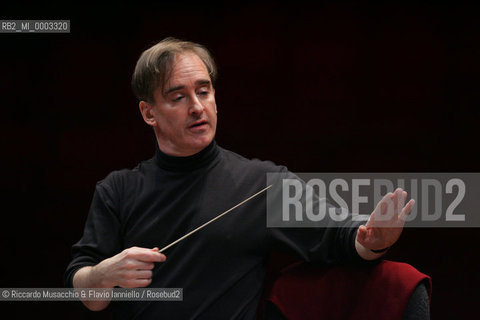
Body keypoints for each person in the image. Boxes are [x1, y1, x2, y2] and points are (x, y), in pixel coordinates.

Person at [64, 37, 415, 319]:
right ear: (148, 112)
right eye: (178, 97)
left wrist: (372, 239)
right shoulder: (117, 190)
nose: (197, 106)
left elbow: (337, 235)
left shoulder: (260, 183)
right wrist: (101, 276)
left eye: (204, 91)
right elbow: (87, 294)